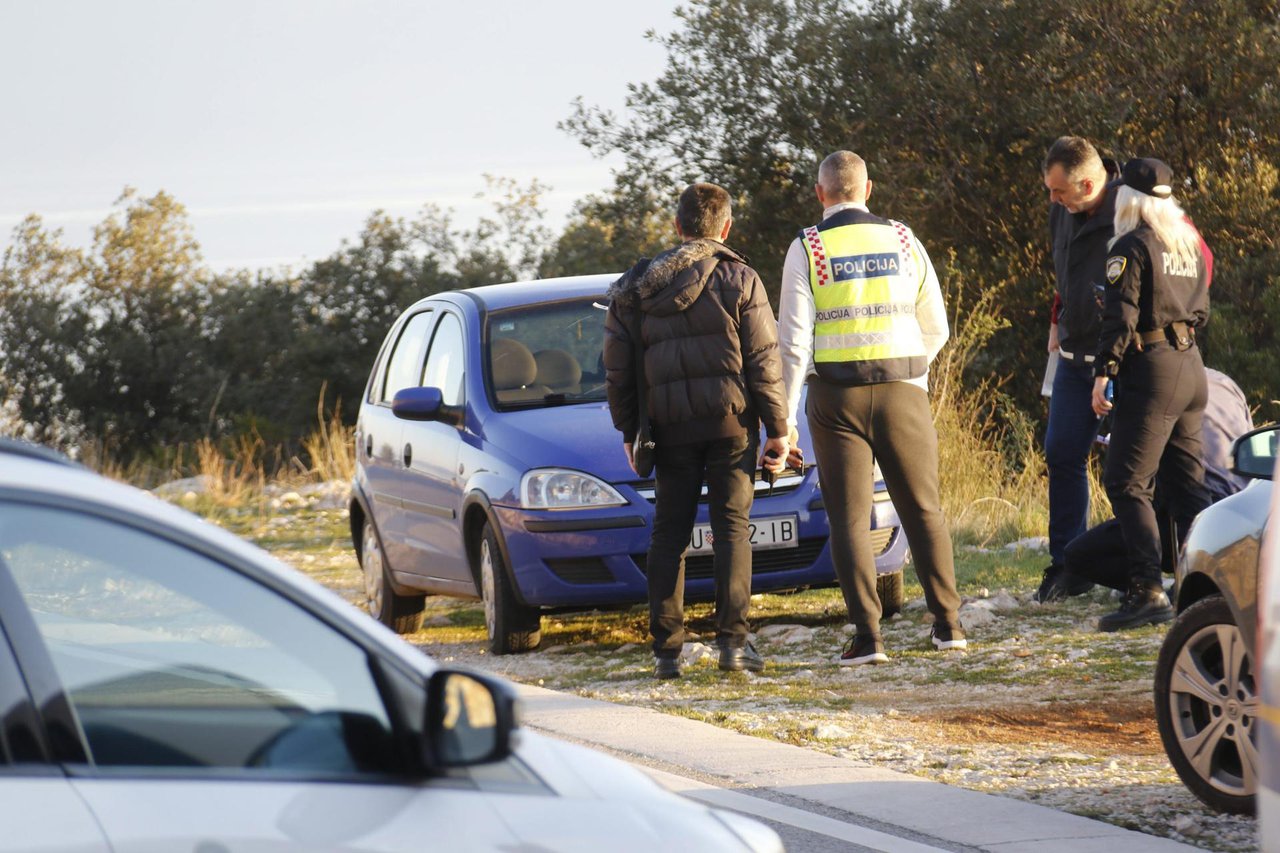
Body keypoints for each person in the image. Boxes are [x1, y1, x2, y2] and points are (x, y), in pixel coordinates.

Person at [777, 150, 964, 665]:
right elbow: (938, 326)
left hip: (836, 396)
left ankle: (868, 638)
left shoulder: (807, 247)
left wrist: (785, 421)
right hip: (904, 387)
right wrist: (910, 372)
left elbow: (792, 342)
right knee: (923, 507)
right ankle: (949, 625)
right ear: (868, 189)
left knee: (849, 519)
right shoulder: (904, 239)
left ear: (821, 194)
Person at [603, 182, 790, 680]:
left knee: (669, 533)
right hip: (732, 425)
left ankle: (667, 650)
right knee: (732, 530)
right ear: (725, 228)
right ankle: (733, 644)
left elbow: (617, 371)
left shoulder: (635, 290)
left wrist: (628, 429)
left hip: (668, 429)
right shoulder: (740, 278)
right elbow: (764, 361)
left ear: (677, 227)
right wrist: (779, 428)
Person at [1090, 157, 1211, 632]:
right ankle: (1201, 581)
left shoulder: (1130, 244)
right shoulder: (1188, 245)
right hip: (1192, 367)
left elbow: (1120, 315)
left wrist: (1105, 372)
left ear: (1128, 198)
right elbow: (1201, 311)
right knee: (1187, 488)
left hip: (1154, 367)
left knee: (1126, 481)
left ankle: (1146, 590)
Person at [1064, 368, 1252, 591]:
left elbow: (1142, 474)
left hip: (1192, 510)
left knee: (1079, 555)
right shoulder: (1225, 383)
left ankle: (1153, 587)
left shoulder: (1155, 389)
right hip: (1241, 509)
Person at [1037, 137, 1122, 603]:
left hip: (1127, 361)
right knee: (1063, 454)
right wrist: (1057, 317)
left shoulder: (1134, 207)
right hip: (1072, 359)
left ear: (1088, 184)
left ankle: (1140, 571)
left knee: (1128, 472)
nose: (1053, 200)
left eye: (1059, 191)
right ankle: (1068, 564)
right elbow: (1066, 274)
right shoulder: (1061, 213)